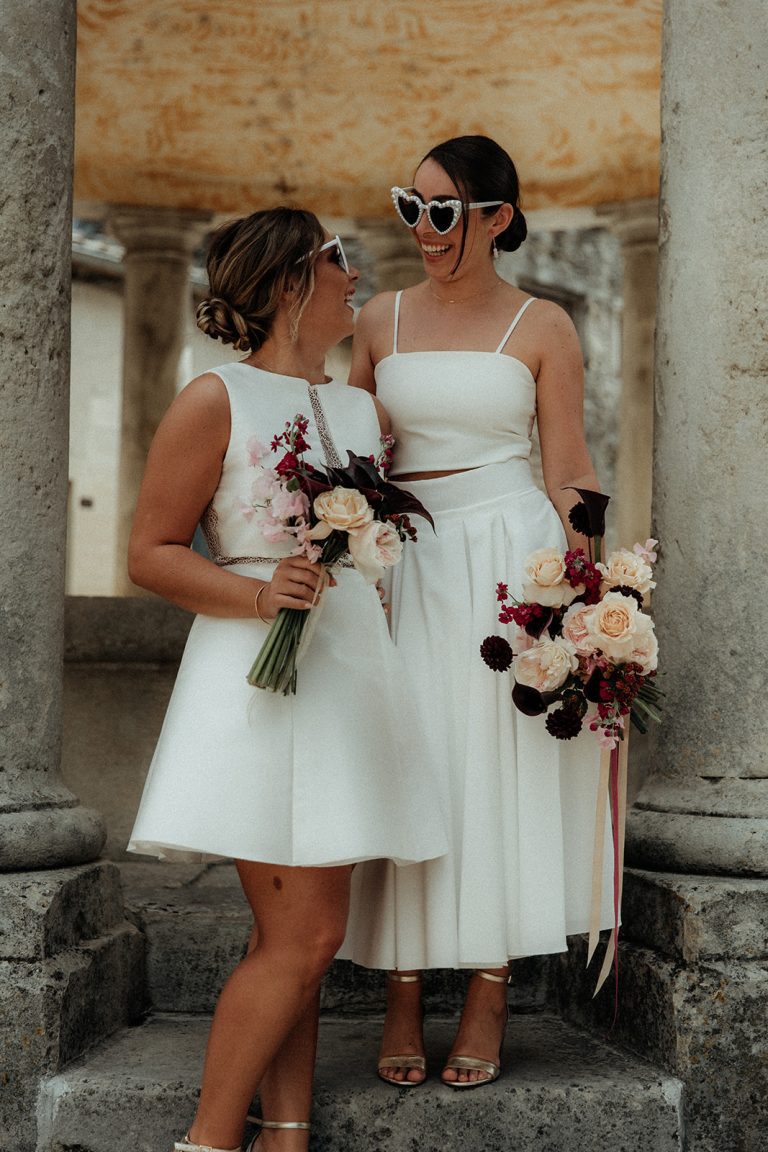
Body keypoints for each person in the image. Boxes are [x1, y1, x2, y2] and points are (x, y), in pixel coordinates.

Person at [126, 207, 447, 1151]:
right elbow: (148, 553)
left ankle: (288, 1134)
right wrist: (262, 596)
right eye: (337, 260)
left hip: (348, 683)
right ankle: (209, 1141)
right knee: (303, 939)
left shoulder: (359, 411)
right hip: (259, 690)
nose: (357, 275)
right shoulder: (213, 398)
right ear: (287, 287)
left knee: (298, 941)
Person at [339, 135, 615, 1088]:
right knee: (413, 753)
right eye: (411, 208)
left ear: (497, 218)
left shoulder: (545, 325)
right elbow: (347, 452)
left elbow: (572, 468)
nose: (425, 229)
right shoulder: (378, 318)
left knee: (496, 765)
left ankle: (490, 987)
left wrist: (596, 596)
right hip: (405, 560)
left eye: (445, 211)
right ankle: (404, 992)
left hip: (509, 554)